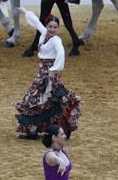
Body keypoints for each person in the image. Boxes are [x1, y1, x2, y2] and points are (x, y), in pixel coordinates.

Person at [15, 9, 81, 138]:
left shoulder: (56, 40)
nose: (52, 29)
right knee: (40, 101)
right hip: (43, 72)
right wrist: (25, 11)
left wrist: (53, 70)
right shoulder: (44, 34)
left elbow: (61, 54)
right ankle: (34, 130)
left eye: (55, 27)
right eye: (50, 26)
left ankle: (38, 130)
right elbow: (36, 23)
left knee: (35, 99)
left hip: (49, 74)